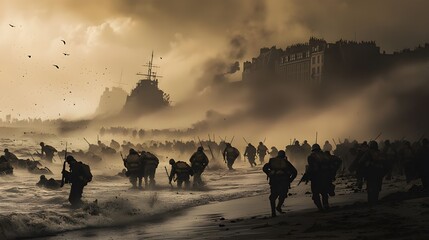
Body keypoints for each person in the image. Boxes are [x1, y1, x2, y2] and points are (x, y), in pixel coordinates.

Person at [263, 150, 297, 217]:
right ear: (284, 156)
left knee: (273, 196)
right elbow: (295, 172)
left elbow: (264, 168)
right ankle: (278, 207)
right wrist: (290, 180)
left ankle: (273, 213)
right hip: (284, 181)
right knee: (283, 195)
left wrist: (269, 173)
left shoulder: (272, 161)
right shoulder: (286, 162)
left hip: (274, 181)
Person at [306, 144, 335, 211]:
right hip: (326, 176)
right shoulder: (325, 156)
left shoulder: (311, 156)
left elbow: (312, 167)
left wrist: (309, 175)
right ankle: (326, 205)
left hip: (316, 177)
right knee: (324, 192)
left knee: (315, 194)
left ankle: (320, 208)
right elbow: (331, 165)